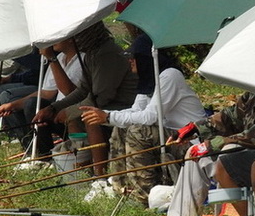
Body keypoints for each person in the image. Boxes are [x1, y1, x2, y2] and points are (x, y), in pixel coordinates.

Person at [79, 33, 205, 205]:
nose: (130, 61)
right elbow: (135, 111)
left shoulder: (170, 76)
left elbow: (150, 117)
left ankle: (144, 196)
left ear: (147, 57)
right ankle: (120, 187)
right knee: (121, 126)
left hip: (188, 141)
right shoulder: (148, 79)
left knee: (138, 131)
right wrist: (106, 116)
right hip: (169, 138)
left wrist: (108, 116)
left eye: (134, 57)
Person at [33, 22, 138, 180]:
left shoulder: (107, 54)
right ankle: (83, 166)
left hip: (123, 107)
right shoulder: (92, 54)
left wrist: (69, 112)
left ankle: (99, 175)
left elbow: (100, 97)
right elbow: (82, 90)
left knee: (89, 118)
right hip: (106, 103)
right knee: (75, 118)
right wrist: (54, 108)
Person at [165, 92, 255, 216]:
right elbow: (230, 116)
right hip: (247, 154)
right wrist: (196, 128)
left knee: (227, 153)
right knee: (194, 154)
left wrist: (215, 143)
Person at [0, 39, 84, 156]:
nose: (53, 41)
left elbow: (69, 91)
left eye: (59, 37)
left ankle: (44, 155)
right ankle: (32, 151)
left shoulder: (82, 59)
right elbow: (47, 93)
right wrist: (12, 106)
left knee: (32, 104)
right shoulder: (61, 58)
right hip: (56, 111)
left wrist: (51, 58)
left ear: (71, 39)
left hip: (74, 117)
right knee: (15, 103)